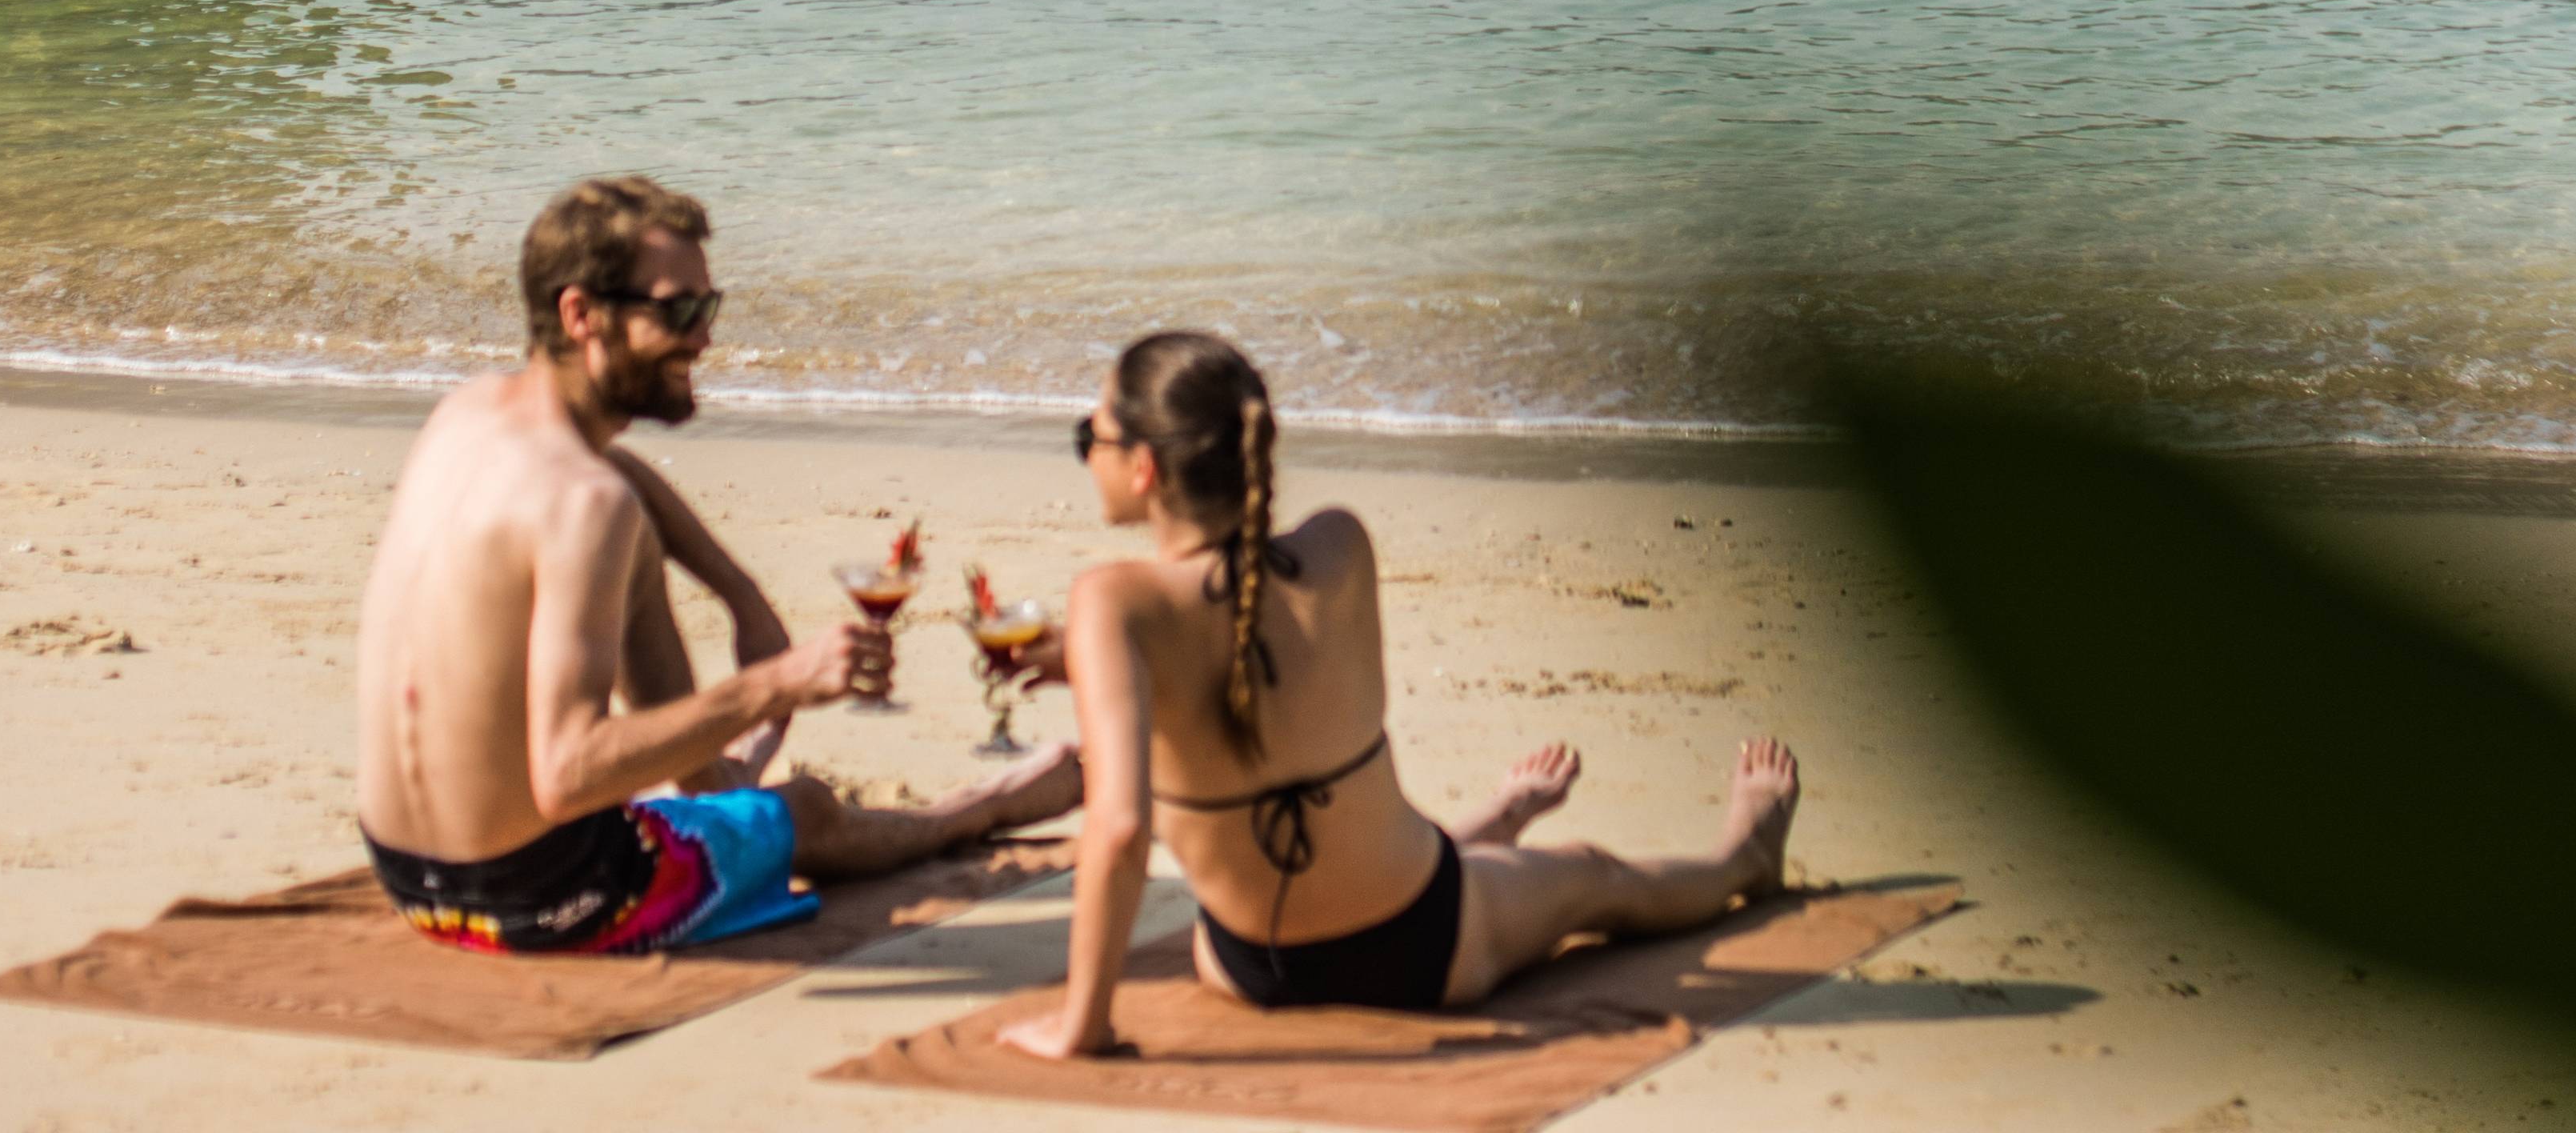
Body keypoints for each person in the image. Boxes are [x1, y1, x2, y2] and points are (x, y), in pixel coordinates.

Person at [1009, 328, 1797, 1051]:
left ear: (1143, 467)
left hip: (1245, 963)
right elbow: (1264, 660)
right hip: (1422, 949)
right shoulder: (1339, 545)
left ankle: (1495, 823)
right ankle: (1743, 859)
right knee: (1592, 874)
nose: (1087, 453)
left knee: (1416, 853)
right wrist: (1095, 659)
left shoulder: (1112, 607)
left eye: (1090, 438)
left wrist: (1084, 1027)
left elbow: (1127, 820)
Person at [350, 176, 1081, 952]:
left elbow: (611, 474)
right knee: (807, 809)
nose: (703, 339)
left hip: (409, 878)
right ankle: (984, 803)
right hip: (548, 898)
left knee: (634, 546)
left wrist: (739, 594)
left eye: (709, 307)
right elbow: (567, 775)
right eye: (679, 312)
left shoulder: (470, 412)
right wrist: (782, 682)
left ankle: (714, 778)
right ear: (581, 313)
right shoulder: (588, 507)